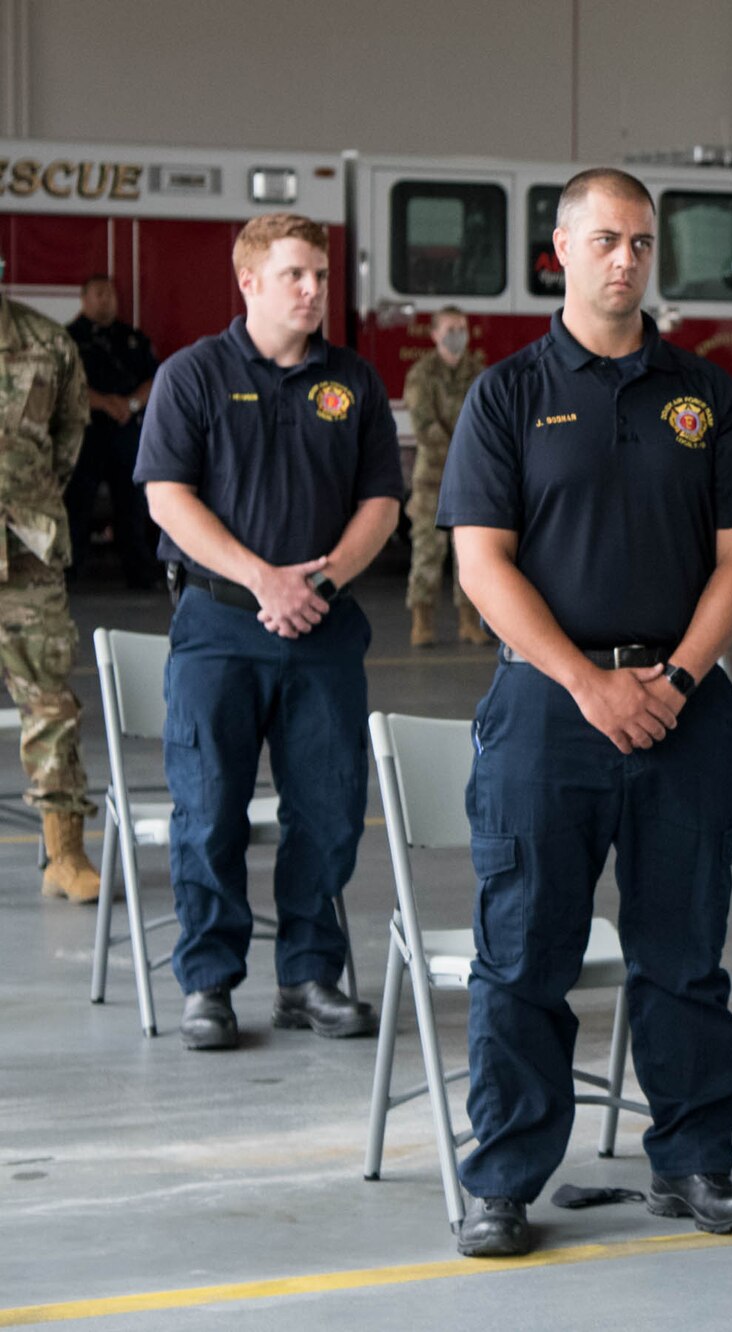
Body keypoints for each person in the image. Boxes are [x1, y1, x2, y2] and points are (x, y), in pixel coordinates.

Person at [437, 168, 732, 1258]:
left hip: (684, 711)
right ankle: (502, 1180)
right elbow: (481, 565)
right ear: (561, 251)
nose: (623, 259)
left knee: (684, 953)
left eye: (638, 242)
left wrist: (673, 681)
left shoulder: (706, 396)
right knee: (523, 952)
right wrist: (587, 684)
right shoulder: (506, 394)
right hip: (547, 709)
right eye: (603, 240)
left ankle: (692, 1158)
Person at [136, 212, 401, 1051]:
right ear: (248, 281)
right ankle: (209, 984)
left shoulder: (353, 382)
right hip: (219, 622)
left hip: (323, 626)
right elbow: (167, 497)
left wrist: (317, 582)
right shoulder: (193, 376)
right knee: (208, 806)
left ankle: (308, 978)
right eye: (295, 274)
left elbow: (382, 505)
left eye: (320, 275)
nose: (314, 289)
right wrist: (263, 579)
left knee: (325, 810)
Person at [0, 253, 102, 903]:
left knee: (50, 702)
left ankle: (64, 854)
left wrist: (29, 500)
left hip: (25, 548)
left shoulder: (47, 342)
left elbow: (72, 432)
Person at [64, 275, 160, 589]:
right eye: (99, 293)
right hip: (87, 433)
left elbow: (153, 379)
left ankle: (141, 575)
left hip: (126, 432)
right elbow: (66, 387)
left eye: (111, 294)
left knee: (132, 505)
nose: (107, 299)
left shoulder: (131, 338)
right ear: (84, 298)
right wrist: (105, 403)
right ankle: (70, 574)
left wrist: (130, 405)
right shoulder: (68, 339)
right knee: (78, 504)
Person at [403, 306, 490, 648]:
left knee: (471, 554)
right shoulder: (421, 375)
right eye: (450, 328)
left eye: (462, 328)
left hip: (470, 483)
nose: (458, 334)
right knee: (427, 552)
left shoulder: (479, 374)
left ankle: (469, 622)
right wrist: (466, 454)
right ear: (435, 334)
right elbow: (425, 428)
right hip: (432, 482)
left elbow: (487, 426)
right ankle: (422, 623)